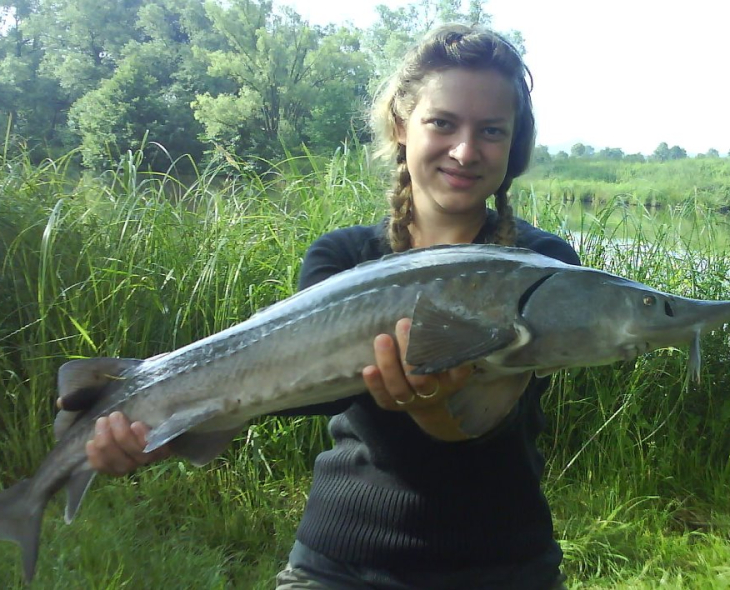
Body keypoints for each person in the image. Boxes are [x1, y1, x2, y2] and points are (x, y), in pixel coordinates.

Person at [69, 24, 580, 589]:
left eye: (491, 130)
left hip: (506, 564)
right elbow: (293, 388)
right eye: (442, 122)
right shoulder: (341, 257)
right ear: (401, 126)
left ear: (514, 145)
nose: (465, 150)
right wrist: (160, 426)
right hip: (340, 563)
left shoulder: (545, 266)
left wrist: (435, 411)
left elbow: (500, 419)